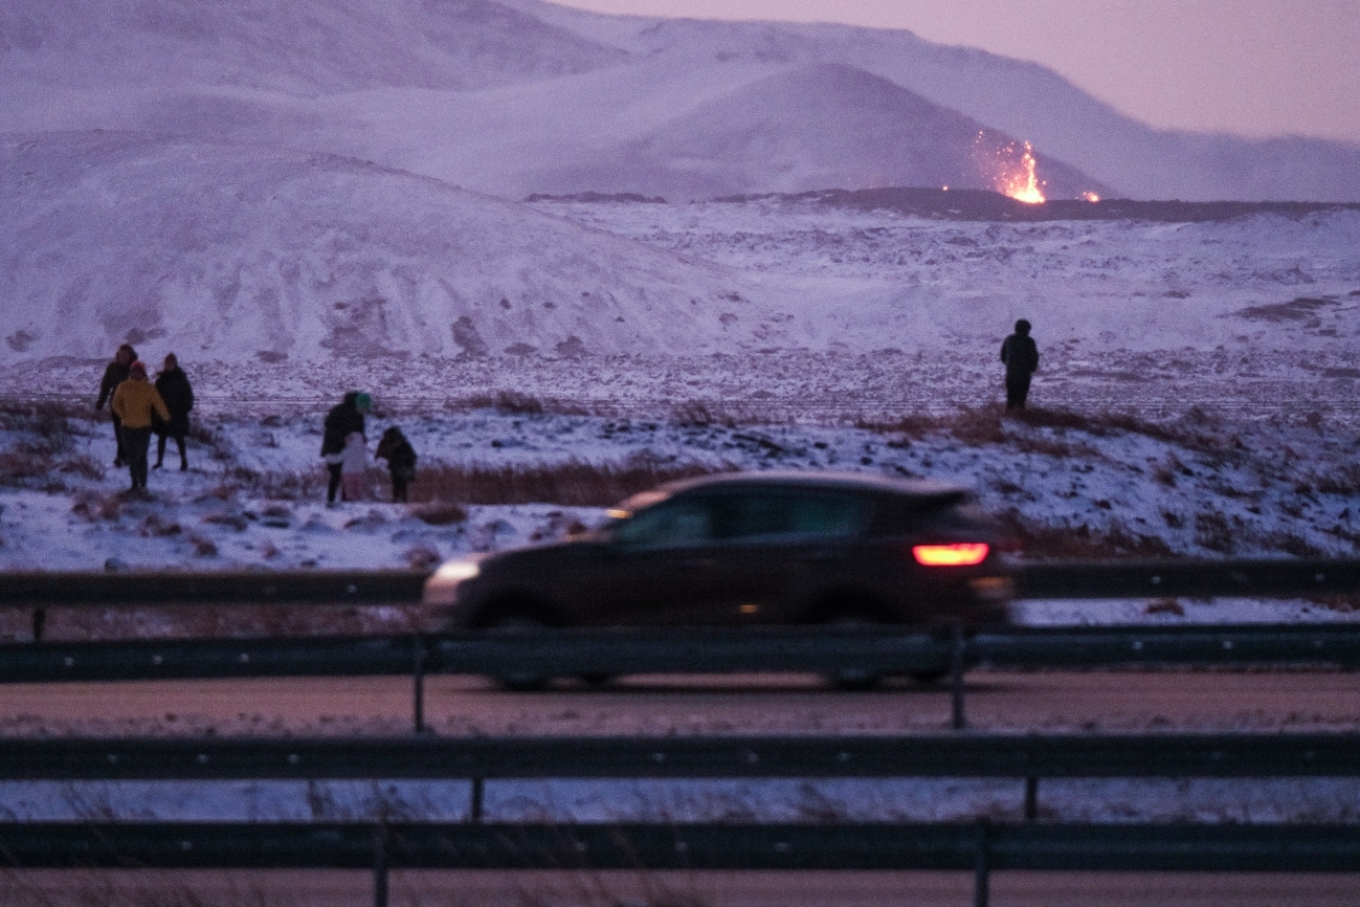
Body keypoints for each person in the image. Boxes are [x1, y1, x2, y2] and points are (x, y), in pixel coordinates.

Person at [110, 361, 170, 492]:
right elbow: (115, 403)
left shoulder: (149, 388)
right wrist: (123, 414)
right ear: (131, 372)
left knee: (141, 455)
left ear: (143, 373)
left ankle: (143, 483)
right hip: (127, 427)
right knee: (131, 456)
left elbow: (158, 403)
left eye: (139, 371)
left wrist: (166, 417)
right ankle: (134, 483)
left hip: (144, 427)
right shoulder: (123, 386)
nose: (136, 373)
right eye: (134, 371)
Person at [321, 391, 370, 504]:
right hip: (334, 448)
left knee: (347, 475)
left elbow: (359, 430)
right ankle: (331, 502)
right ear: (358, 405)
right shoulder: (339, 410)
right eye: (363, 409)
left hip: (351, 450)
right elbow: (329, 427)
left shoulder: (359, 415)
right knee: (336, 476)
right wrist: (343, 437)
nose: (364, 412)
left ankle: (347, 503)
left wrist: (362, 437)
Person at [95, 343, 137, 467]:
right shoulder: (112, 368)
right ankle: (121, 456)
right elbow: (106, 386)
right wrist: (100, 403)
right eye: (121, 355)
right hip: (116, 404)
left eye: (126, 355)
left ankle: (128, 456)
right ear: (118, 356)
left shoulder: (135, 368)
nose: (123, 357)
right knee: (119, 432)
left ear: (130, 356)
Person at [153, 353, 194, 471]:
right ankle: (159, 461)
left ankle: (184, 461)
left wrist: (185, 408)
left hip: (178, 414)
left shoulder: (181, 379)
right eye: (166, 363)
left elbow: (188, 396)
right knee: (162, 438)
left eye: (170, 363)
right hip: (163, 414)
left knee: (179, 438)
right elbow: (155, 397)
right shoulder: (161, 380)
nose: (168, 365)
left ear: (175, 364)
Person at [1000, 319, 1040, 409]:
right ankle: (1020, 420)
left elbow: (1003, 356)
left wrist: (1010, 366)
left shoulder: (1009, 339)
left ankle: (1009, 420)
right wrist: (1032, 368)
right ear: (1026, 330)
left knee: (1010, 400)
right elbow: (1034, 357)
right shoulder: (1029, 341)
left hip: (1011, 374)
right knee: (1021, 401)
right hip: (1024, 375)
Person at [375, 426, 417, 503]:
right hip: (398, 465)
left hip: (400, 465)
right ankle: (400, 498)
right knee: (399, 482)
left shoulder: (399, 443)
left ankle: (399, 498)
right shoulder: (401, 442)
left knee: (399, 482)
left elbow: (412, 456)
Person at [340, 431, 369, 502]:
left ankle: (352, 498)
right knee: (355, 486)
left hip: (351, 470)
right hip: (355, 469)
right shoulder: (359, 445)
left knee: (352, 486)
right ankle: (355, 498)